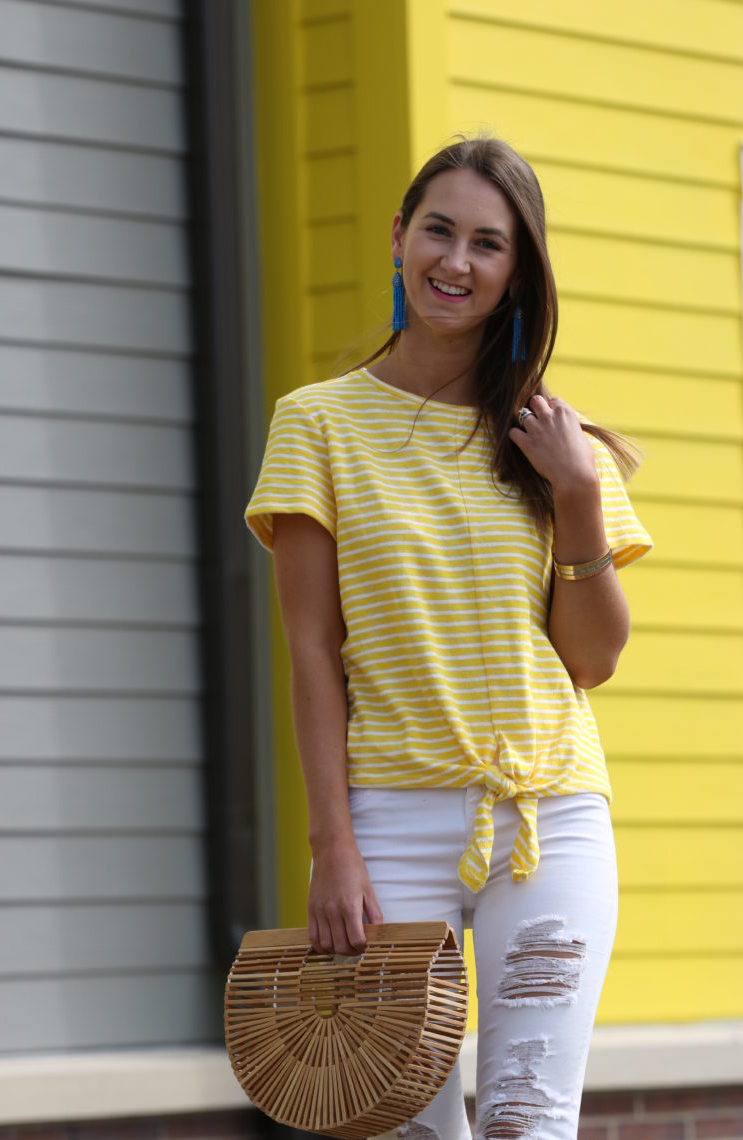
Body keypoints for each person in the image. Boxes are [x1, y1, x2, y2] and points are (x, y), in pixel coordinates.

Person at [245, 136, 651, 1140]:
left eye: (486, 243)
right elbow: (310, 653)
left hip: (545, 817)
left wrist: (575, 494)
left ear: (518, 271)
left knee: (526, 1119)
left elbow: (592, 660)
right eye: (437, 230)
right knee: (406, 1128)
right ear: (397, 237)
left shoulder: (559, 440)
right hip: (387, 826)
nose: (454, 262)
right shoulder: (317, 425)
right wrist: (331, 845)